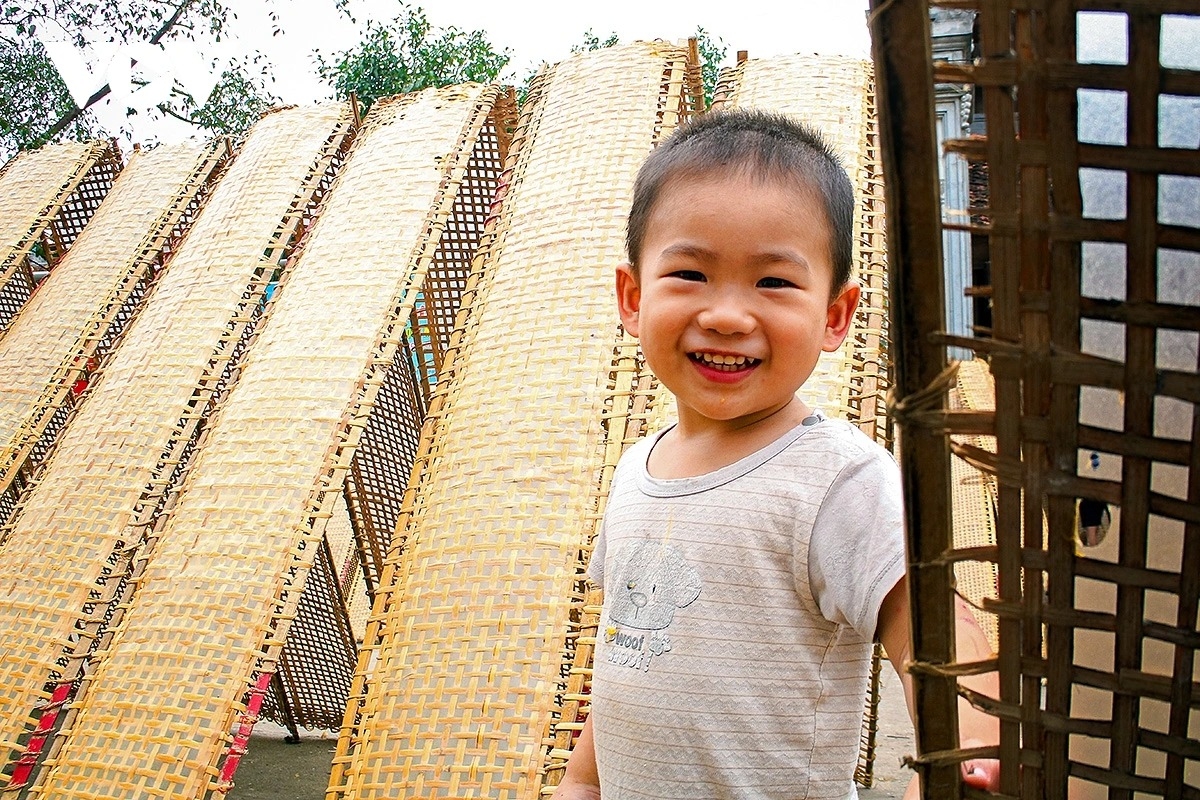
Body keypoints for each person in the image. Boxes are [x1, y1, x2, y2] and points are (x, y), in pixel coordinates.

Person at [551, 109, 999, 799]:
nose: (728, 314)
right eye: (691, 274)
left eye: (774, 282)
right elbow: (630, 657)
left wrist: (969, 740)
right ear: (634, 298)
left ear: (834, 316)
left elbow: (934, 632)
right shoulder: (636, 472)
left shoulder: (838, 480)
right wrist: (581, 784)